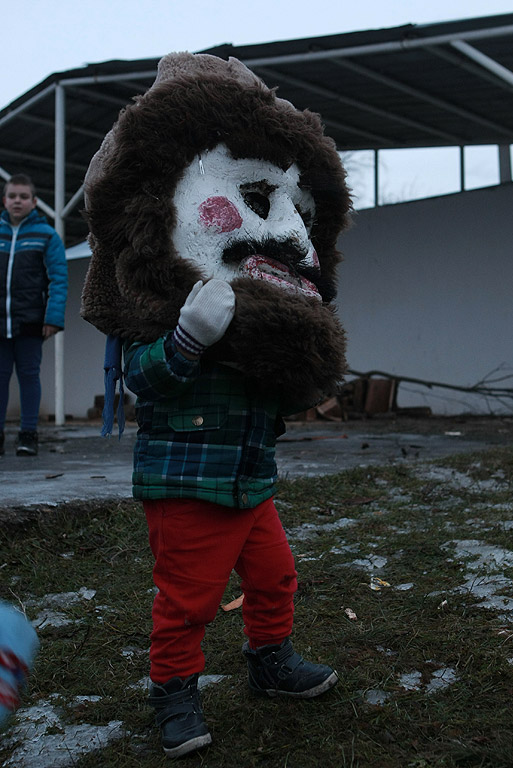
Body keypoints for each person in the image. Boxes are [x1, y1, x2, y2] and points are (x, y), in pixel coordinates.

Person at [81, 52, 352, 759]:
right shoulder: (170, 324)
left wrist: (301, 371)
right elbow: (141, 381)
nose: (296, 238)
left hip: (250, 485)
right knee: (188, 601)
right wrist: (186, 344)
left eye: (305, 216)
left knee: (276, 575)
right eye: (259, 194)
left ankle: (271, 662)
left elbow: (274, 404)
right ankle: (174, 693)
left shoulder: (261, 331)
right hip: (186, 488)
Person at [0, 174, 68, 456]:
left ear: (34, 201)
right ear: (4, 200)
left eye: (23, 196)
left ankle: (28, 435)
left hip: (31, 321)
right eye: (12, 196)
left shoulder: (47, 236)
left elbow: (59, 279)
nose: (17, 201)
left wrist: (52, 318)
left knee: (29, 376)